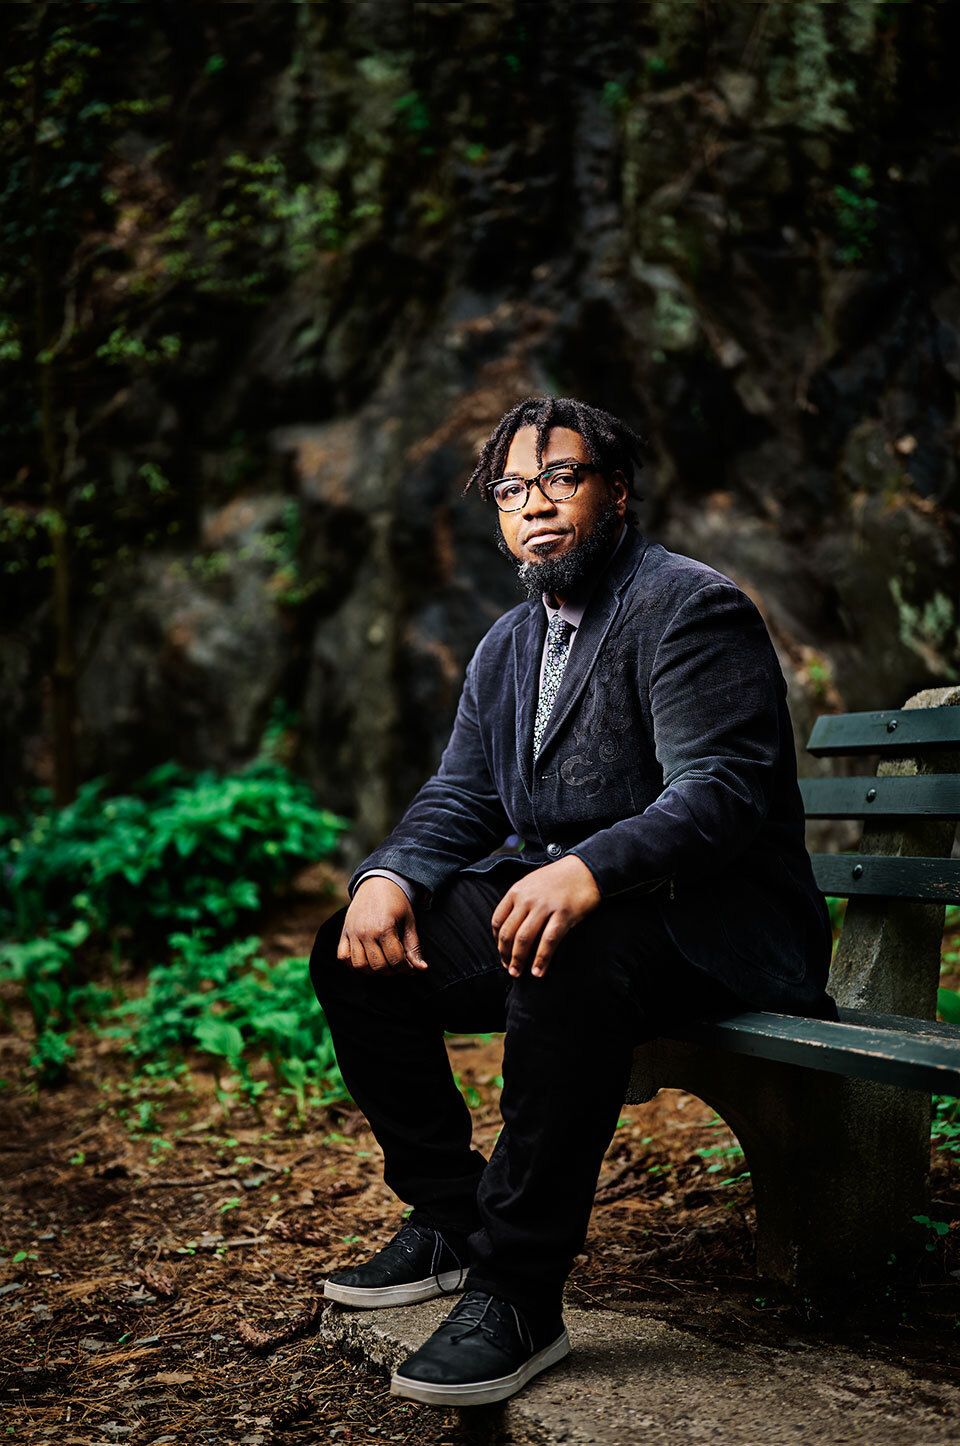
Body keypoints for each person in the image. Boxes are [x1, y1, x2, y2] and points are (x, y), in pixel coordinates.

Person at [308, 395, 837, 1408]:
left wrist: (588, 868)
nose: (536, 504)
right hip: (583, 909)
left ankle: (517, 1290)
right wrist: (387, 877)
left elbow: (720, 791)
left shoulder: (691, 606)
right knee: (356, 950)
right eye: (512, 488)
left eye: (561, 477)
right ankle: (454, 1217)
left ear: (617, 491)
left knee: (569, 950)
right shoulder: (509, 643)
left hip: (717, 926)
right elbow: (463, 794)